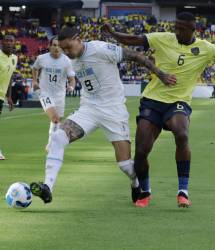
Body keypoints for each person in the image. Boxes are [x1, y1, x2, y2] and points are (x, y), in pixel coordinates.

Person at [102, 12, 215, 208]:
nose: (177, 31)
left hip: (179, 102)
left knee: (181, 133)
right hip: (152, 100)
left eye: (182, 28)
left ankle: (183, 191)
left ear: (193, 30)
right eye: (176, 27)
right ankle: (145, 191)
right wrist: (113, 33)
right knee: (141, 151)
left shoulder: (207, 48)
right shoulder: (162, 38)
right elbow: (133, 39)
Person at [29, 26, 176, 204]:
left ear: (78, 39)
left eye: (68, 47)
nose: (66, 52)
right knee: (58, 138)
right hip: (88, 109)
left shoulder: (100, 49)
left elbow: (135, 56)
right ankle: (47, 187)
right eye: (63, 49)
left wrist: (160, 74)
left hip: (113, 110)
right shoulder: (70, 60)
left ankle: (136, 182)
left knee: (125, 165)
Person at [32, 37, 76, 151]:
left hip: (60, 95)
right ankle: (52, 145)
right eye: (55, 45)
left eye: (59, 46)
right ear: (49, 46)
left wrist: (71, 86)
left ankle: (51, 143)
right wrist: (35, 81)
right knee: (55, 118)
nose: (57, 48)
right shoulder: (42, 58)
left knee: (57, 121)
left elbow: (72, 79)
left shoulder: (66, 61)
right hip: (45, 92)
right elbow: (35, 68)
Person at [0, 35, 18, 160]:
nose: (8, 43)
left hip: (1, 96)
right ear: (2, 42)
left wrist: (9, 96)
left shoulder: (14, 58)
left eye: (11, 41)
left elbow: (10, 76)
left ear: (14, 43)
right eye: (6, 41)